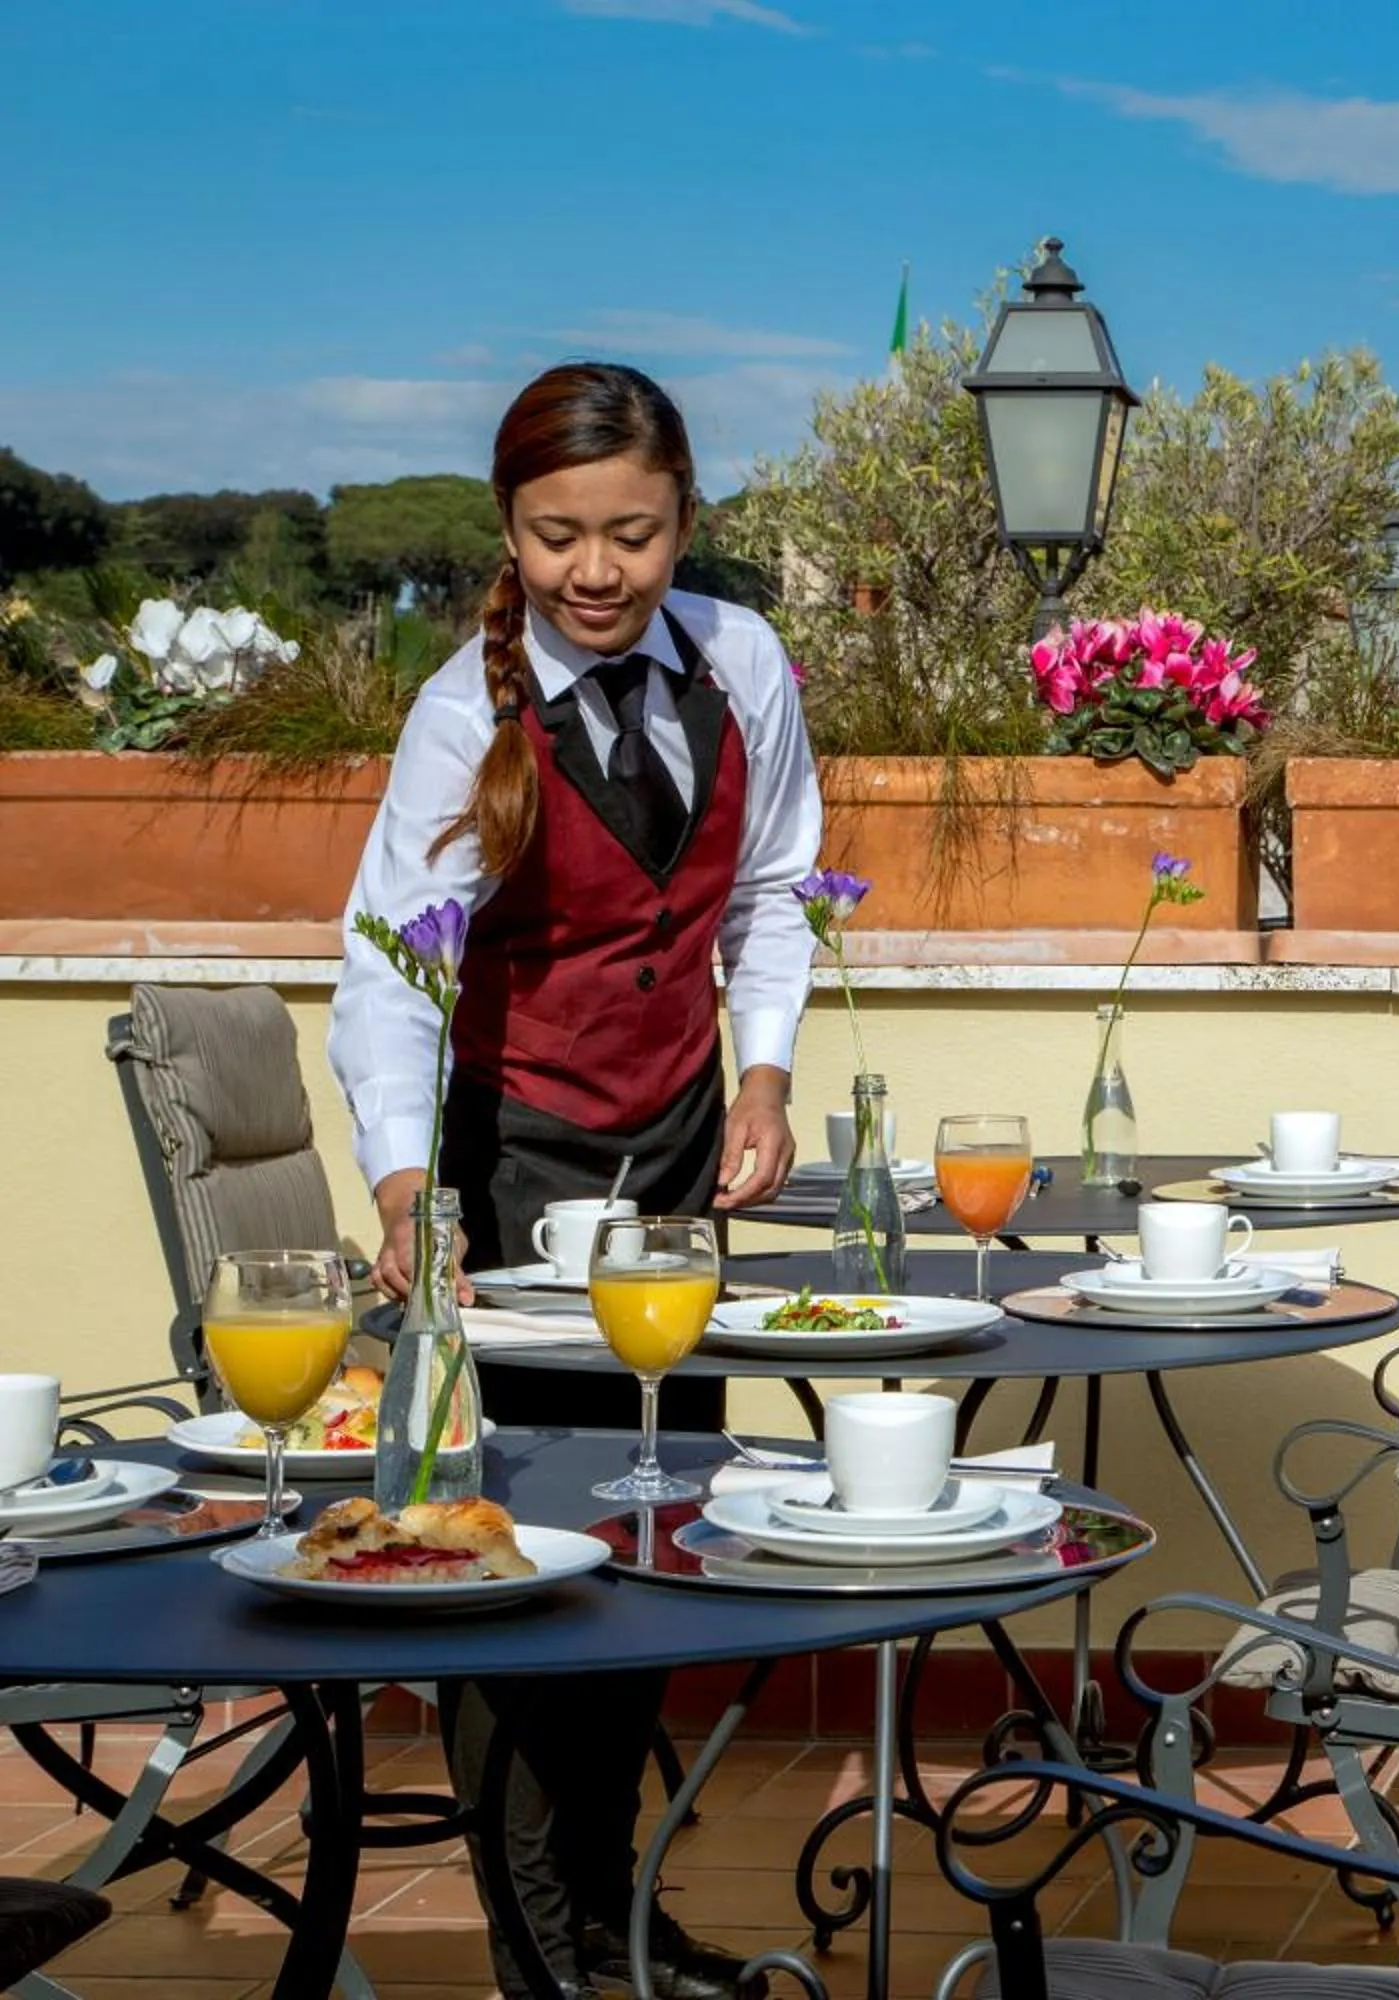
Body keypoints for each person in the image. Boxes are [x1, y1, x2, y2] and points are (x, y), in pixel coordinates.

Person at [329, 361, 820, 1999]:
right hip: (509, 1164)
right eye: (558, 538)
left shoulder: (742, 663)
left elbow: (773, 895)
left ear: (686, 519)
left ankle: (608, 1924)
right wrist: (407, 1193)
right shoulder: (466, 712)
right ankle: (550, 1957)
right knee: (521, 1566)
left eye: (631, 534)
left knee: (648, 1541)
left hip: (677, 1161)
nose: (595, 573)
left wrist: (763, 1070)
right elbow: (394, 970)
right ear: (510, 531)